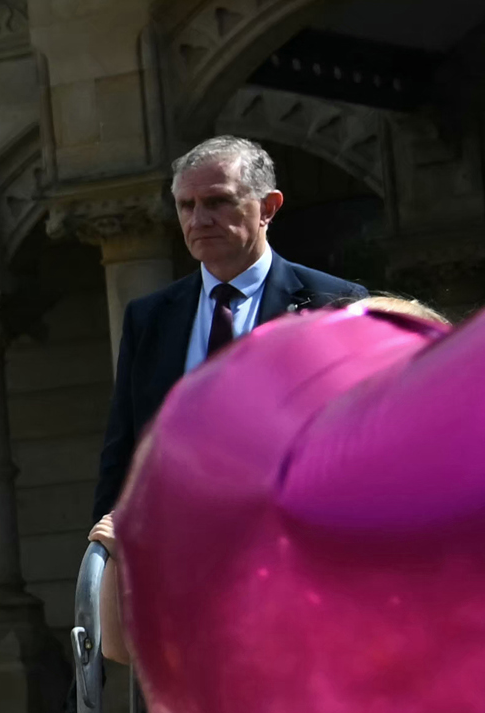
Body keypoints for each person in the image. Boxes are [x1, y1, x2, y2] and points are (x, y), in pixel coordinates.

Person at [95, 134, 364, 516]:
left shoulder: (333, 303)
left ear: (268, 208)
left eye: (217, 202)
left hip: (295, 533)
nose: (198, 220)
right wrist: (109, 554)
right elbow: (122, 450)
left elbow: (357, 435)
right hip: (179, 540)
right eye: (186, 206)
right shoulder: (150, 317)